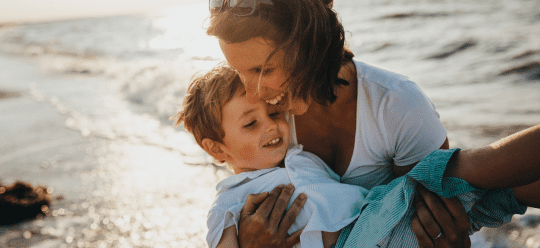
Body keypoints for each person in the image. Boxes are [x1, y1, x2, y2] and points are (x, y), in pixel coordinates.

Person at [205, 0, 481, 248]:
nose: (253, 93)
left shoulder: (397, 107)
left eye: (263, 70)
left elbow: (439, 227)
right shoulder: (266, 119)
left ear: (310, 45)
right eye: (239, 72)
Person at [171, 63, 540, 248]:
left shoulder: (301, 156)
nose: (272, 127)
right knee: (456, 172)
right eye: (251, 125)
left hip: (379, 217)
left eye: (273, 114)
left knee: (499, 194)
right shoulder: (229, 203)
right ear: (216, 148)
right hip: (362, 238)